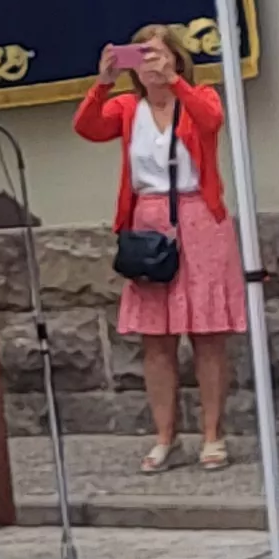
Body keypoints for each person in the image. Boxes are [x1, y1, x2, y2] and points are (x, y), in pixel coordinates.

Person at [72, 25, 243, 472]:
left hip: (199, 219)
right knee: (157, 339)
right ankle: (166, 437)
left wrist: (175, 82)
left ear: (176, 58)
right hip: (148, 224)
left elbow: (211, 121)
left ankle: (213, 434)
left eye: (157, 54)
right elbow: (88, 128)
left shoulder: (198, 97)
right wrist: (103, 82)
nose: (149, 64)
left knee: (207, 335)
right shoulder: (129, 108)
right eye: (142, 56)